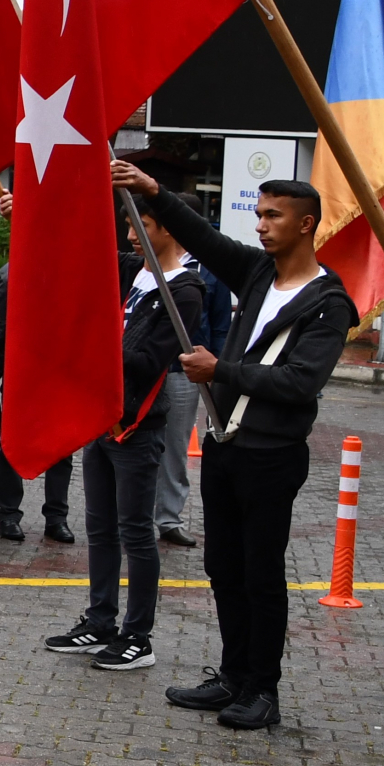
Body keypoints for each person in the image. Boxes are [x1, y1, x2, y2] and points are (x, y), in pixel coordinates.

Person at [115, 160, 355, 732]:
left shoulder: (329, 302)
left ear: (306, 225)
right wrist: (154, 190)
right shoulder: (256, 274)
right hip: (225, 445)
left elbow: (301, 381)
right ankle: (231, 673)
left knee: (261, 573)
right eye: (259, 214)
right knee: (223, 565)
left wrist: (221, 369)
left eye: (274, 216)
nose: (261, 226)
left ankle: (262, 689)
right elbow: (204, 237)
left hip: (272, 454)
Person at [41, 208, 203, 673]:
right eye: (130, 226)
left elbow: (149, 358)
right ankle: (100, 621)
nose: (132, 236)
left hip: (137, 427)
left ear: (169, 228)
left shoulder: (184, 290)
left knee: (136, 532)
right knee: (100, 527)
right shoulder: (136, 271)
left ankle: (138, 635)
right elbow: (79, 254)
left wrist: (90, 343)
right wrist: (32, 213)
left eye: (143, 226)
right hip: (102, 418)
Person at [153, 193, 230, 548]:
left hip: (185, 373)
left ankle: (168, 517)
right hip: (146, 369)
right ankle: (131, 513)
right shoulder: (147, 263)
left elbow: (220, 325)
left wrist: (217, 370)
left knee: (175, 447)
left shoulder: (209, 270)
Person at [0, 258, 72, 542]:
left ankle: (54, 517)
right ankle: (10, 514)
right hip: (22, 371)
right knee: (14, 444)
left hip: (60, 371)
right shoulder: (13, 271)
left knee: (61, 446)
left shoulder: (70, 268)